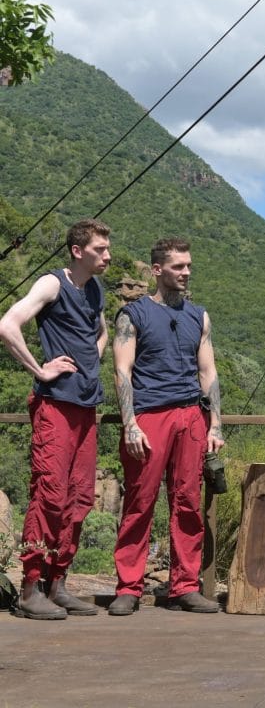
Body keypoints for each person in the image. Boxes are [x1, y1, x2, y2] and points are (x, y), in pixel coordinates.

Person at [0, 219, 112, 619]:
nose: (108, 256)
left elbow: (102, 332)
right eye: (100, 249)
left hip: (86, 406)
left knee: (79, 497)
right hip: (55, 404)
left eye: (108, 248)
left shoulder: (95, 289)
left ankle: (57, 582)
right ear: (78, 251)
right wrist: (40, 369)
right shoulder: (52, 284)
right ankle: (31, 588)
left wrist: (94, 354)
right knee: (49, 493)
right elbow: (7, 325)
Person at [109, 237, 224, 615]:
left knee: (188, 503)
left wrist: (215, 425)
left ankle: (185, 588)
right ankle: (128, 587)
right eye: (178, 267)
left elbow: (208, 372)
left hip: (191, 416)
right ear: (158, 270)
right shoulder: (134, 314)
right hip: (149, 417)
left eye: (188, 265)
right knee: (139, 503)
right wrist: (130, 423)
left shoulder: (199, 315)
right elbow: (122, 371)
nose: (186, 272)